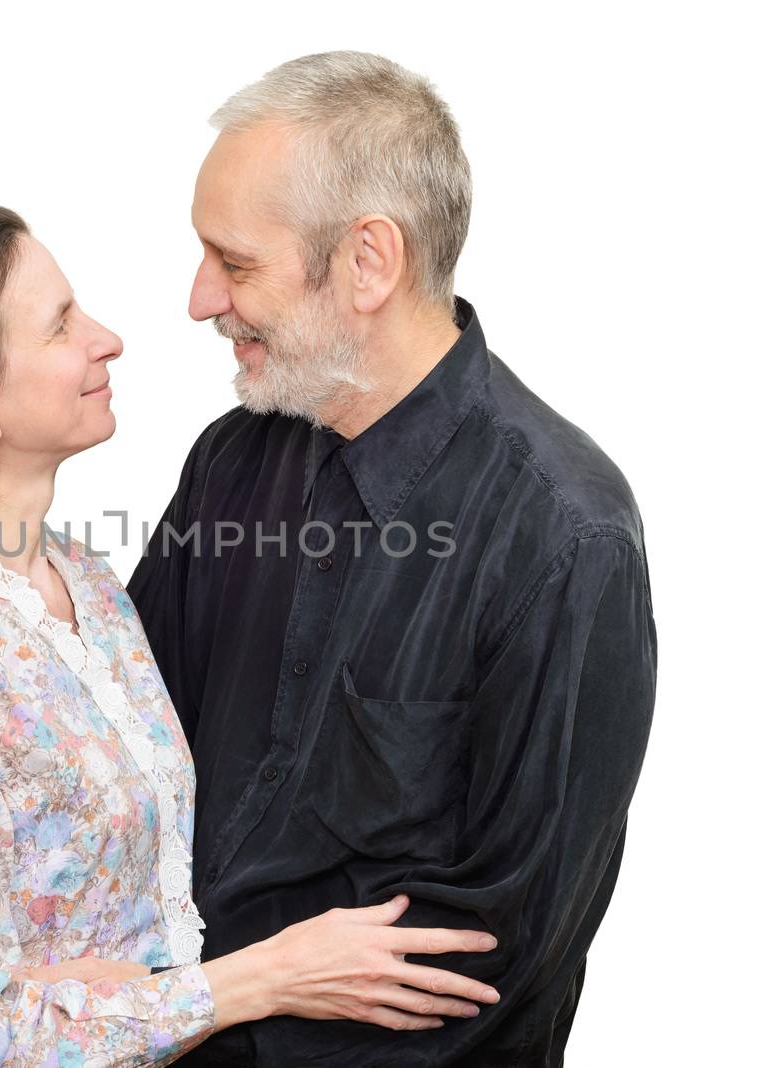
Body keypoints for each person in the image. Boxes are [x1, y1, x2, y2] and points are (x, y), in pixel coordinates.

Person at [0, 203, 503, 1068]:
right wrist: (263, 978)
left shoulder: (89, 585)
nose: (106, 339)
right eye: (60, 326)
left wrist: (88, 993)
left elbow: (128, 926)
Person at [126, 52, 658, 1066]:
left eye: (235, 264)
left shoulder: (563, 536)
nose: (200, 299)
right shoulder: (230, 462)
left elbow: (493, 963)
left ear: (369, 262)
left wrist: (196, 1017)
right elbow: (131, 766)